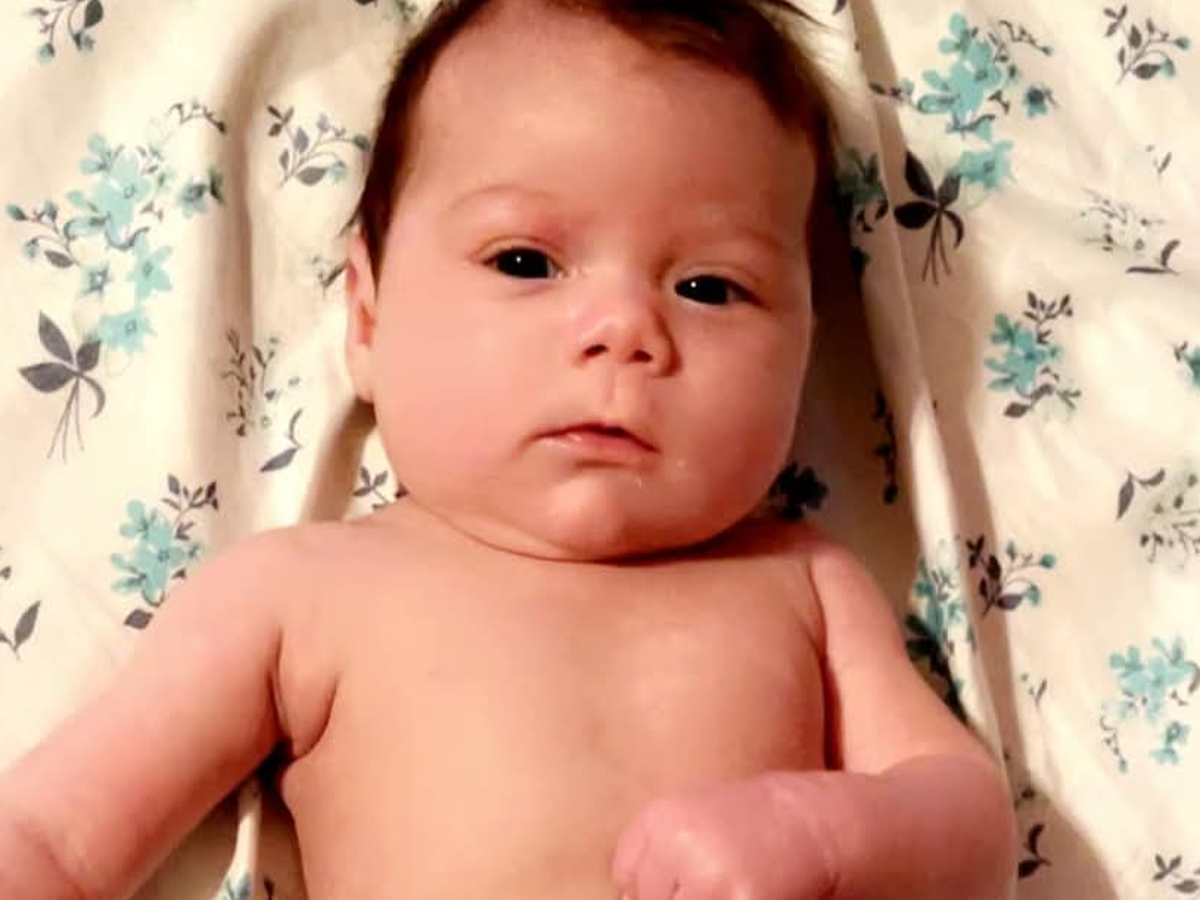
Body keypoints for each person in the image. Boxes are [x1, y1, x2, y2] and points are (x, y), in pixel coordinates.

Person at [0, 0, 1017, 898]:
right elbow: (53, 839)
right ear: (367, 320)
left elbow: (970, 830)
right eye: (526, 261)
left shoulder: (803, 582)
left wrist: (821, 835)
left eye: (710, 287)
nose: (624, 331)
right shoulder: (298, 594)